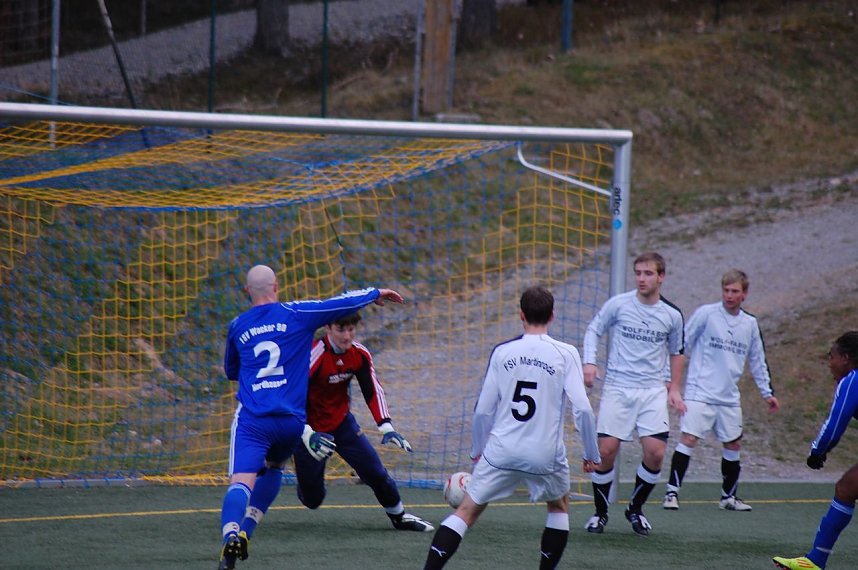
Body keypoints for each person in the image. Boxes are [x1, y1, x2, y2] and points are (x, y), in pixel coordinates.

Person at [217, 264, 403, 570]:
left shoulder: (238, 325)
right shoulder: (297, 313)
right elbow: (339, 303)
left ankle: (231, 537)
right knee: (275, 466)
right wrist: (375, 293)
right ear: (276, 287)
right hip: (291, 422)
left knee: (241, 483)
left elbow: (231, 372)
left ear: (247, 292)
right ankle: (247, 530)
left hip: (255, 419)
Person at [423, 286, 601, 570]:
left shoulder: (502, 352)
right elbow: (582, 408)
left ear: (521, 315)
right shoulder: (566, 353)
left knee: (467, 511)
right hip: (544, 454)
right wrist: (592, 453)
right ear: (552, 316)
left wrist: (478, 451)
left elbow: (483, 409)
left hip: (501, 450)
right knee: (558, 505)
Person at [292, 311, 434, 532]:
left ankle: (399, 516)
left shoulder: (359, 354)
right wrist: (305, 432)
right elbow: (290, 397)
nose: (347, 336)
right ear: (328, 328)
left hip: (342, 425)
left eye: (351, 329)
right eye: (341, 329)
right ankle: (289, 459)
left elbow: (372, 390)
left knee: (375, 472)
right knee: (312, 500)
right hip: (312, 433)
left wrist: (386, 426)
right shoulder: (313, 354)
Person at [582, 251, 686, 537]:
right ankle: (600, 514)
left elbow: (677, 352)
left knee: (656, 453)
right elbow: (593, 329)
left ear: (661, 277)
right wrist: (589, 362)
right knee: (605, 452)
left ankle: (635, 509)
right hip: (618, 386)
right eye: (638, 273)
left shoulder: (672, 315)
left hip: (652, 390)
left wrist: (674, 388)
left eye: (648, 273)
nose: (641, 278)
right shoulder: (618, 305)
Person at [662, 269, 780, 512]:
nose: (729, 295)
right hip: (700, 391)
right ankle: (671, 493)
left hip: (728, 396)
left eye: (734, 291)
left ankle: (728, 497)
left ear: (744, 294)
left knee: (734, 443)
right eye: (726, 290)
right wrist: (671, 380)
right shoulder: (707, 314)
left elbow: (757, 359)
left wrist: (767, 393)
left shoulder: (749, 324)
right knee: (689, 438)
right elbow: (682, 344)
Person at [772, 331, 858, 570]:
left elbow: (834, 425)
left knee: (846, 488)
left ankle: (815, 560)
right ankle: (814, 561)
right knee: (847, 488)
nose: (829, 363)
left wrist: (817, 452)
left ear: (846, 358)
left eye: (831, 356)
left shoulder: (852, 380)